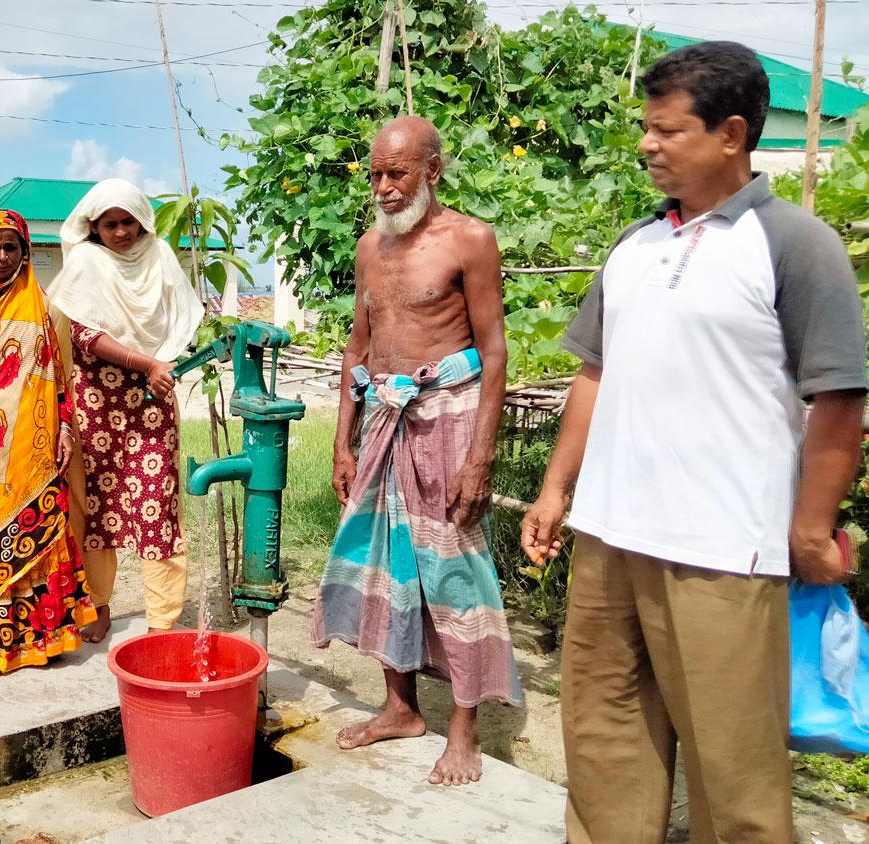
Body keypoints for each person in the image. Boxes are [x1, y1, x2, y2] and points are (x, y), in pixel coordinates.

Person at [520, 42, 868, 843]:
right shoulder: (635, 247)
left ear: (732, 134)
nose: (647, 145)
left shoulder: (792, 245)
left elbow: (840, 400)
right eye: (647, 128)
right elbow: (594, 376)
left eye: (667, 130)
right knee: (604, 745)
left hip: (722, 550)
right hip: (610, 537)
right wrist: (555, 490)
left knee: (732, 769)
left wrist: (811, 529)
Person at [310, 116, 522, 787]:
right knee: (381, 564)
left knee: (452, 571)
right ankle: (400, 707)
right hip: (383, 421)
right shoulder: (371, 247)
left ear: (433, 169)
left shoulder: (471, 239)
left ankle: (464, 730)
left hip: (448, 421)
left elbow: (493, 352)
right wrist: (343, 441)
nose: (383, 187)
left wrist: (480, 457)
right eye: (375, 174)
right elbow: (357, 348)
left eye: (396, 173)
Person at [0, 209, 98, 684]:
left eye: (12, 247)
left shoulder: (44, 305)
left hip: (36, 446)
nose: (3, 256)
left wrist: (67, 430)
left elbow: (63, 379)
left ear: (25, 252)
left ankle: (45, 638)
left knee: (44, 537)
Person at [47, 178, 203, 640]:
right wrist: (147, 360)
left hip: (153, 401)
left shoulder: (161, 259)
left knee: (157, 508)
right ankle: (99, 606)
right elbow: (82, 334)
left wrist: (163, 362)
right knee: (96, 507)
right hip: (96, 400)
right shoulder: (86, 262)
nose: (120, 232)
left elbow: (180, 320)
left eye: (128, 222)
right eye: (110, 224)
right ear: (93, 227)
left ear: (142, 220)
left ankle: (162, 620)